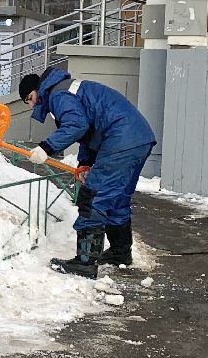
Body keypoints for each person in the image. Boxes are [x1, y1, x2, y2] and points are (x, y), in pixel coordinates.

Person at [18, 68, 157, 278]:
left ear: (38, 90)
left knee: (93, 198)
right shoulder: (67, 88)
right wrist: (85, 162)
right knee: (116, 197)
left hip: (120, 138)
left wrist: (46, 148)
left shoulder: (58, 94)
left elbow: (77, 125)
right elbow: (89, 130)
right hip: (138, 138)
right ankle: (120, 253)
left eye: (30, 98)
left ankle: (85, 263)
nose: (31, 104)